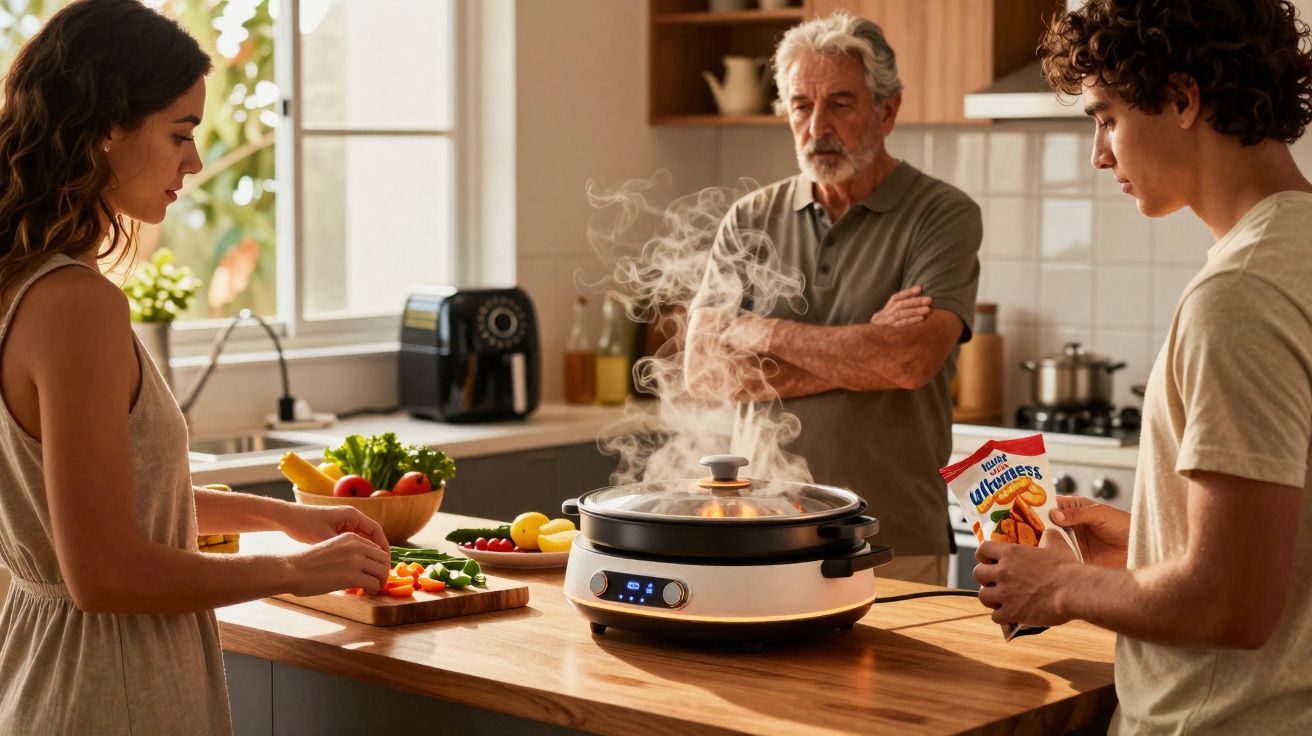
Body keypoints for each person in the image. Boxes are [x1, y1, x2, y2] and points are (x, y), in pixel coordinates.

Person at [0, 2, 391, 733]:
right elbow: (105, 572)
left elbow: (112, 500)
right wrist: (296, 572)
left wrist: (286, 522)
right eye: (180, 133)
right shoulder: (78, 306)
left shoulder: (19, 286)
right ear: (110, 127)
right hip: (109, 687)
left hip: (47, 673)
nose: (195, 162)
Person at [973, 1, 1312, 732]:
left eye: (1105, 117)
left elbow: (1233, 604)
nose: (1098, 154)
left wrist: (1062, 586)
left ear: (1184, 98)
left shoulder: (1240, 294)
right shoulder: (1297, 253)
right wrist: (1150, 540)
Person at [685, 12, 982, 584]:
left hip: (891, 536)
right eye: (801, 105)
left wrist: (758, 331)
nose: (817, 126)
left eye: (840, 104)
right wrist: (861, 352)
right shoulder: (750, 217)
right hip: (757, 529)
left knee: (901, 679)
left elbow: (908, 360)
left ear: (887, 109)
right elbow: (703, 371)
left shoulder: (943, 214)